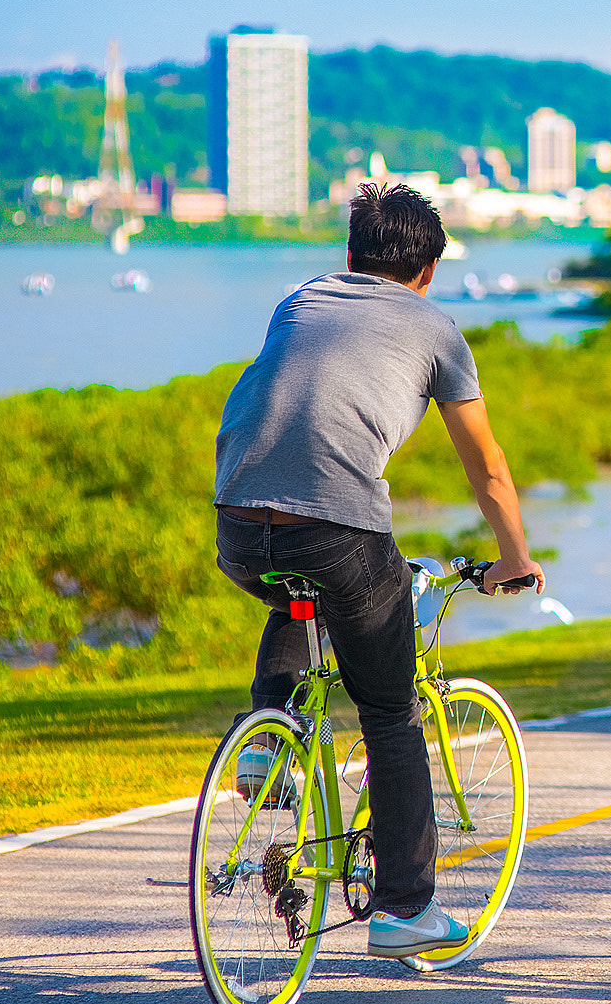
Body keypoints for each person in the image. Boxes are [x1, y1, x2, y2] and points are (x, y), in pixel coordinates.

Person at [212, 182, 545, 959]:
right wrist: (516, 556)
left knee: (299, 592)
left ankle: (268, 739)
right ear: (427, 269)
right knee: (391, 712)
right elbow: (488, 467)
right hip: (338, 529)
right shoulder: (435, 326)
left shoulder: (301, 297)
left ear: (351, 256)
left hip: (236, 522)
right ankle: (405, 908)